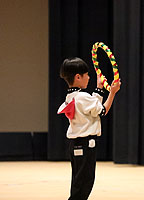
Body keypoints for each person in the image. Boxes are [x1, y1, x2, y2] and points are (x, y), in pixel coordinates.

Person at [57, 57, 121, 200]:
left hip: (76, 145)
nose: (89, 77)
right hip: (86, 144)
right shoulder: (82, 97)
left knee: (79, 180)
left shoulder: (72, 96)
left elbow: (92, 109)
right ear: (78, 77)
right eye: (86, 75)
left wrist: (99, 88)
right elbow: (102, 110)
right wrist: (112, 92)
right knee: (84, 183)